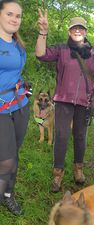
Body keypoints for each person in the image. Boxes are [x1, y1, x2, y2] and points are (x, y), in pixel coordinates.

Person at [35, 10, 94, 192]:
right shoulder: (61, 49)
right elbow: (41, 54)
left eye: (81, 28)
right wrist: (43, 32)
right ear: (69, 31)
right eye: (74, 28)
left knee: (80, 137)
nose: (77, 31)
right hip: (63, 101)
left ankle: (78, 170)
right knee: (61, 136)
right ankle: (58, 174)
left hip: (85, 102)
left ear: (86, 31)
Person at [0, 0, 29, 215]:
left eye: (18, 16)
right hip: (1, 110)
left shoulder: (18, 44)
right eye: (10, 13)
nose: (14, 19)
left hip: (20, 105)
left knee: (14, 155)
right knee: (7, 160)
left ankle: (9, 195)